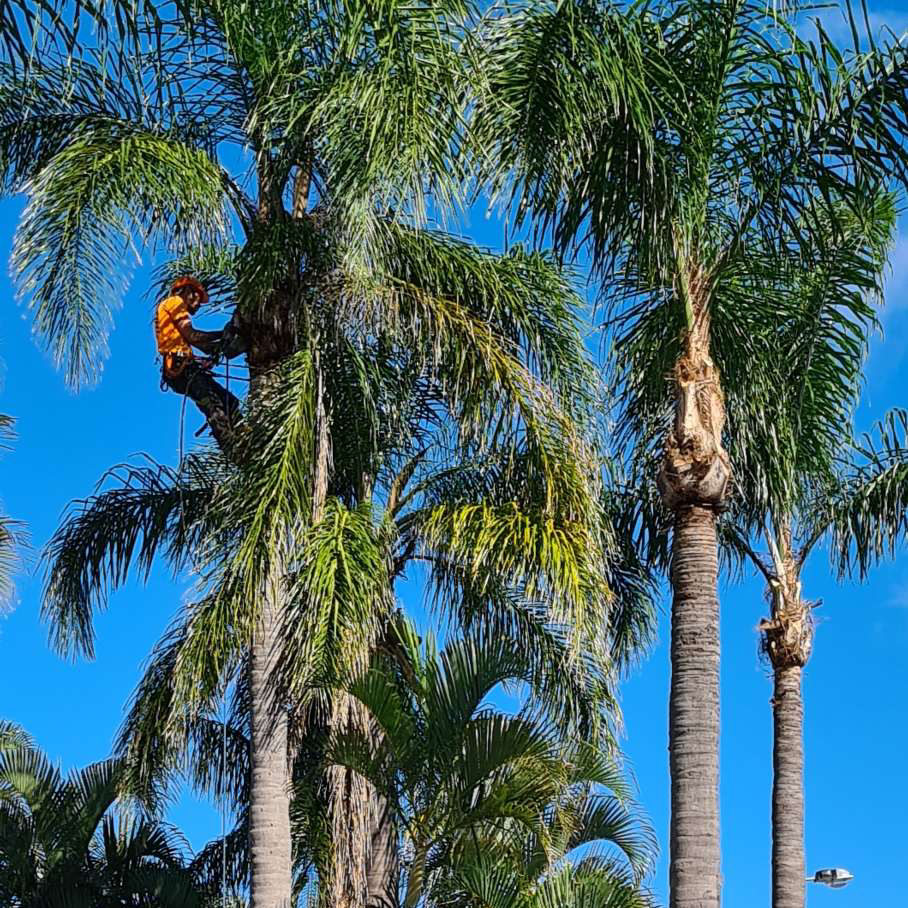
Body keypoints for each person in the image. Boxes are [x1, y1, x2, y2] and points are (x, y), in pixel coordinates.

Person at [155, 276, 242, 447]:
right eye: (197, 297)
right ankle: (231, 444)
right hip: (182, 369)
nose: (199, 304)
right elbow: (193, 336)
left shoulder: (171, 307)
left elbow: (202, 346)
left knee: (229, 402)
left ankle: (243, 435)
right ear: (187, 291)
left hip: (182, 370)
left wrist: (222, 345)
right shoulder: (175, 302)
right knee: (214, 406)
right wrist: (223, 333)